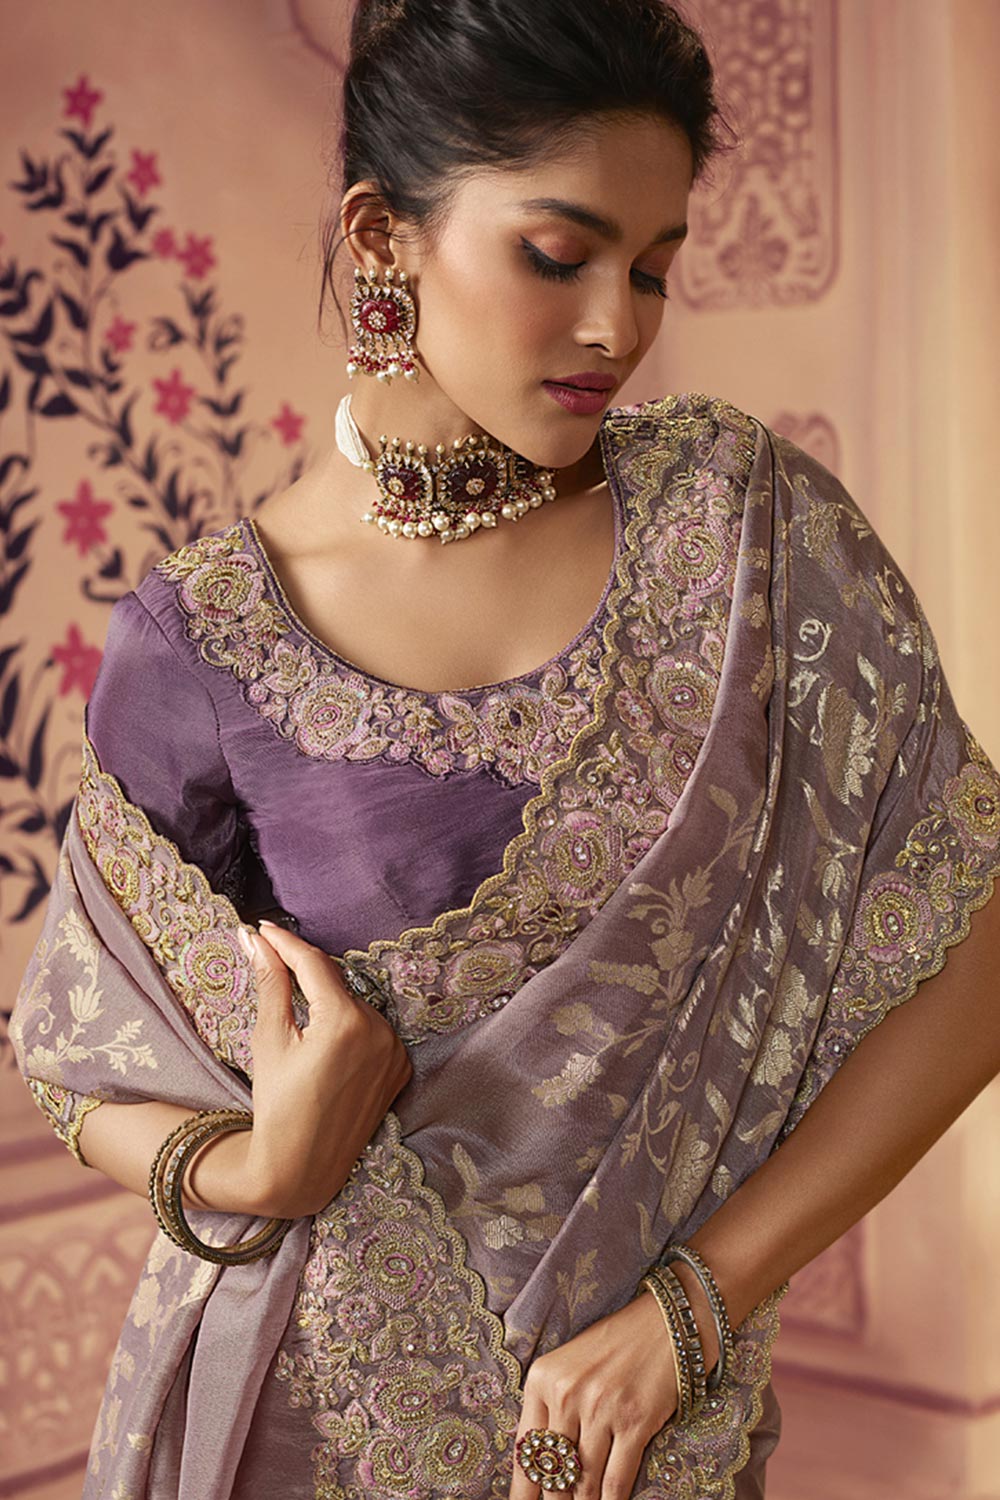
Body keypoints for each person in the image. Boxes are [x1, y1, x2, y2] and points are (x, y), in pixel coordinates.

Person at [10, 0, 1000, 1496]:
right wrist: (262, 1167)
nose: (620, 325)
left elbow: (977, 950)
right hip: (306, 1417)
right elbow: (79, 1055)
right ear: (383, 236)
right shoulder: (208, 636)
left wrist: (694, 1309)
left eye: (652, 267)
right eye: (558, 254)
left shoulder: (746, 529)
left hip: (645, 1430)